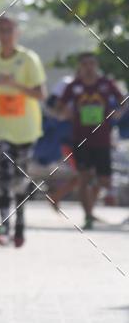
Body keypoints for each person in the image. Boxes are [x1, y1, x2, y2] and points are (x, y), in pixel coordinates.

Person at [0, 16, 46, 248]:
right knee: (3, 177)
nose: (5, 35)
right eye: (1, 30)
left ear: (17, 33)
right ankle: (4, 226)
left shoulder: (28, 59)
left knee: (20, 181)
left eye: (9, 30)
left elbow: (40, 94)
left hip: (25, 130)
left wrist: (15, 85)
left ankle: (20, 225)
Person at [55, 52, 128, 229]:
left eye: (92, 64)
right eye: (85, 64)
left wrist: (118, 113)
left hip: (103, 139)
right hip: (81, 139)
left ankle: (91, 192)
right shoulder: (74, 86)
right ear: (80, 67)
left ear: (96, 65)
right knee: (83, 178)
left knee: (105, 181)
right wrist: (65, 113)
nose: (89, 68)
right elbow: (59, 107)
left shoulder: (106, 84)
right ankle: (88, 216)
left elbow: (123, 99)